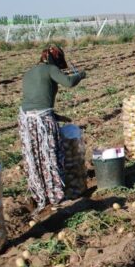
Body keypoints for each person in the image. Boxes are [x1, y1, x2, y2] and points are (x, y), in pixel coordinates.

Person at [19, 45, 86, 212]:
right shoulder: (50, 69)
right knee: (50, 155)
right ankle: (57, 197)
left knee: (35, 158)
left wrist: (56, 117)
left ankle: (41, 195)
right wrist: (81, 74)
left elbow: (35, 101)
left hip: (27, 121)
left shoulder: (29, 73)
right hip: (42, 121)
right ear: (54, 58)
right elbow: (69, 83)